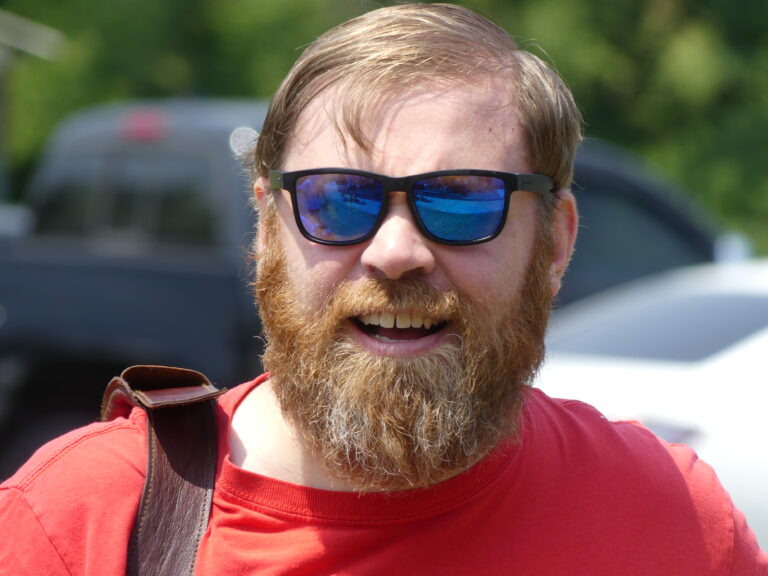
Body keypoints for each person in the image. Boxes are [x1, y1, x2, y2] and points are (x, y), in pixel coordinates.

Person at [1, 3, 766, 574]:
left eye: (461, 200)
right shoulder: (79, 523)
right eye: (339, 200)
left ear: (556, 242)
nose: (396, 252)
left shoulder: (674, 521)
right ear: (268, 228)